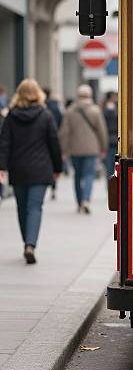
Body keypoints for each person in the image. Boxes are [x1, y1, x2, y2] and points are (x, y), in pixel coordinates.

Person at [0, 79, 62, 264]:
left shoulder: (11, 116)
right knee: (35, 208)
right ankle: (30, 244)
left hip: (19, 169)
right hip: (41, 169)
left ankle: (26, 242)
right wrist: (58, 168)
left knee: (22, 207)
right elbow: (54, 144)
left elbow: (4, 144)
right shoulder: (46, 115)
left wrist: (2, 167)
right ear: (38, 94)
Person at [59, 84, 108, 213]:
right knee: (88, 175)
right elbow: (101, 131)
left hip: (74, 149)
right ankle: (86, 199)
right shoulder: (95, 110)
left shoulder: (70, 111)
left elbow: (64, 133)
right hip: (92, 149)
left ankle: (79, 201)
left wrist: (64, 150)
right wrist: (104, 147)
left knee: (77, 175)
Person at [43, 87, 63, 199]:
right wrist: (58, 169)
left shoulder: (42, 107)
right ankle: (53, 187)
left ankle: (51, 185)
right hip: (53, 137)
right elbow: (61, 120)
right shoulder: (54, 108)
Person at [102, 91, 118, 179]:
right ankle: (111, 183)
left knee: (109, 166)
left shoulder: (103, 109)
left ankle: (110, 184)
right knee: (112, 165)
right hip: (114, 139)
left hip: (108, 140)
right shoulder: (116, 109)